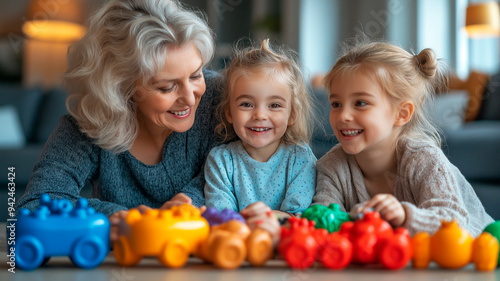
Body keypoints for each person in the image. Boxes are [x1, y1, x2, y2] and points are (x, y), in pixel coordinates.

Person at [16, 0, 220, 242]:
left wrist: (190, 202)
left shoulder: (221, 98)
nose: (189, 97)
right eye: (166, 87)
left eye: (196, 75)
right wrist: (114, 217)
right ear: (121, 87)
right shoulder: (92, 120)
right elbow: (34, 206)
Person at [313, 40, 494, 237]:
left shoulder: (424, 158)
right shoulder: (331, 166)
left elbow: (454, 221)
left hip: (477, 252)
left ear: (402, 113)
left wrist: (405, 216)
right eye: (336, 104)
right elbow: (322, 220)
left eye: (360, 103)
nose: (343, 115)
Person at [203, 39, 317, 242]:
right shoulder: (221, 160)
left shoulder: (300, 157)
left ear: (292, 115)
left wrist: (266, 221)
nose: (260, 115)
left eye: (274, 105)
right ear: (229, 112)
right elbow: (220, 217)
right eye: (247, 104)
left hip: (287, 248)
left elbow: (300, 216)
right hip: (236, 247)